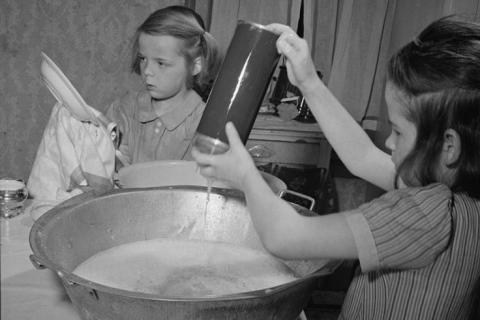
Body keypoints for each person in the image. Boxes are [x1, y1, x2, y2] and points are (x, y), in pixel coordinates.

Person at [192, 16, 480, 319]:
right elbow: (362, 156)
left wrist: (245, 175)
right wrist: (307, 81)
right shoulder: (454, 200)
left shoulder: (427, 214)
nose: (390, 144)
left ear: (449, 147)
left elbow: (286, 237)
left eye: (398, 131)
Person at [107, 5, 221, 167]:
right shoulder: (123, 109)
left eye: (161, 63)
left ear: (195, 65)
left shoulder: (206, 126)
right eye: (143, 58)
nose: (147, 71)